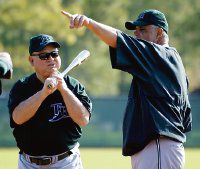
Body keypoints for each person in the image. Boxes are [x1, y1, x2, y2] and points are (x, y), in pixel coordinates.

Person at [61, 9, 192, 169]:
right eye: (135, 30)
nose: (137, 34)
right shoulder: (173, 62)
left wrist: (88, 22)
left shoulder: (158, 54)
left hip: (158, 146)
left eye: (143, 30)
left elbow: (118, 38)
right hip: (161, 147)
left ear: (159, 33)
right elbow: (186, 120)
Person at [8, 34, 92, 169]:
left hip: (66, 162)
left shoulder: (72, 85)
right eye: (44, 56)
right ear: (31, 61)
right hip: (29, 163)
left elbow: (83, 119)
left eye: (54, 54)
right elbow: (17, 118)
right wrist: (43, 93)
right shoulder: (22, 86)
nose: (51, 59)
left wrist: (64, 89)